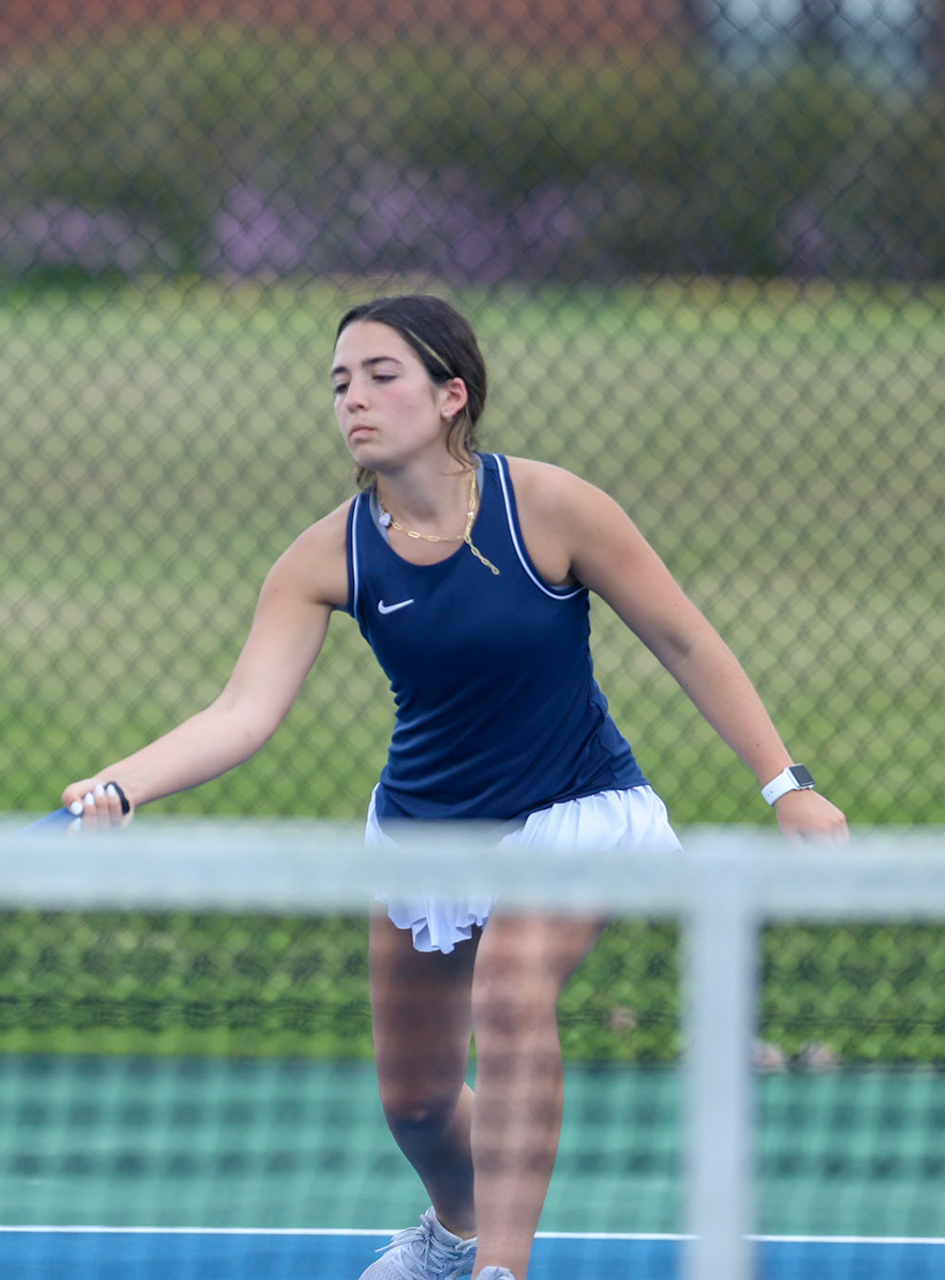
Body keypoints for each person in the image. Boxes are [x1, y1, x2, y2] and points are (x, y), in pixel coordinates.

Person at [61, 294, 847, 1280]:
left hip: (574, 808)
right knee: (418, 1102)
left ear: (450, 396)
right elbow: (242, 712)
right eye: (340, 380)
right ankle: (457, 1226)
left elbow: (685, 637)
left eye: (382, 374)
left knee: (513, 992)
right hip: (424, 834)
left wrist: (788, 785)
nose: (354, 396)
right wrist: (120, 787)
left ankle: (499, 1268)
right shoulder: (328, 553)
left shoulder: (552, 508)